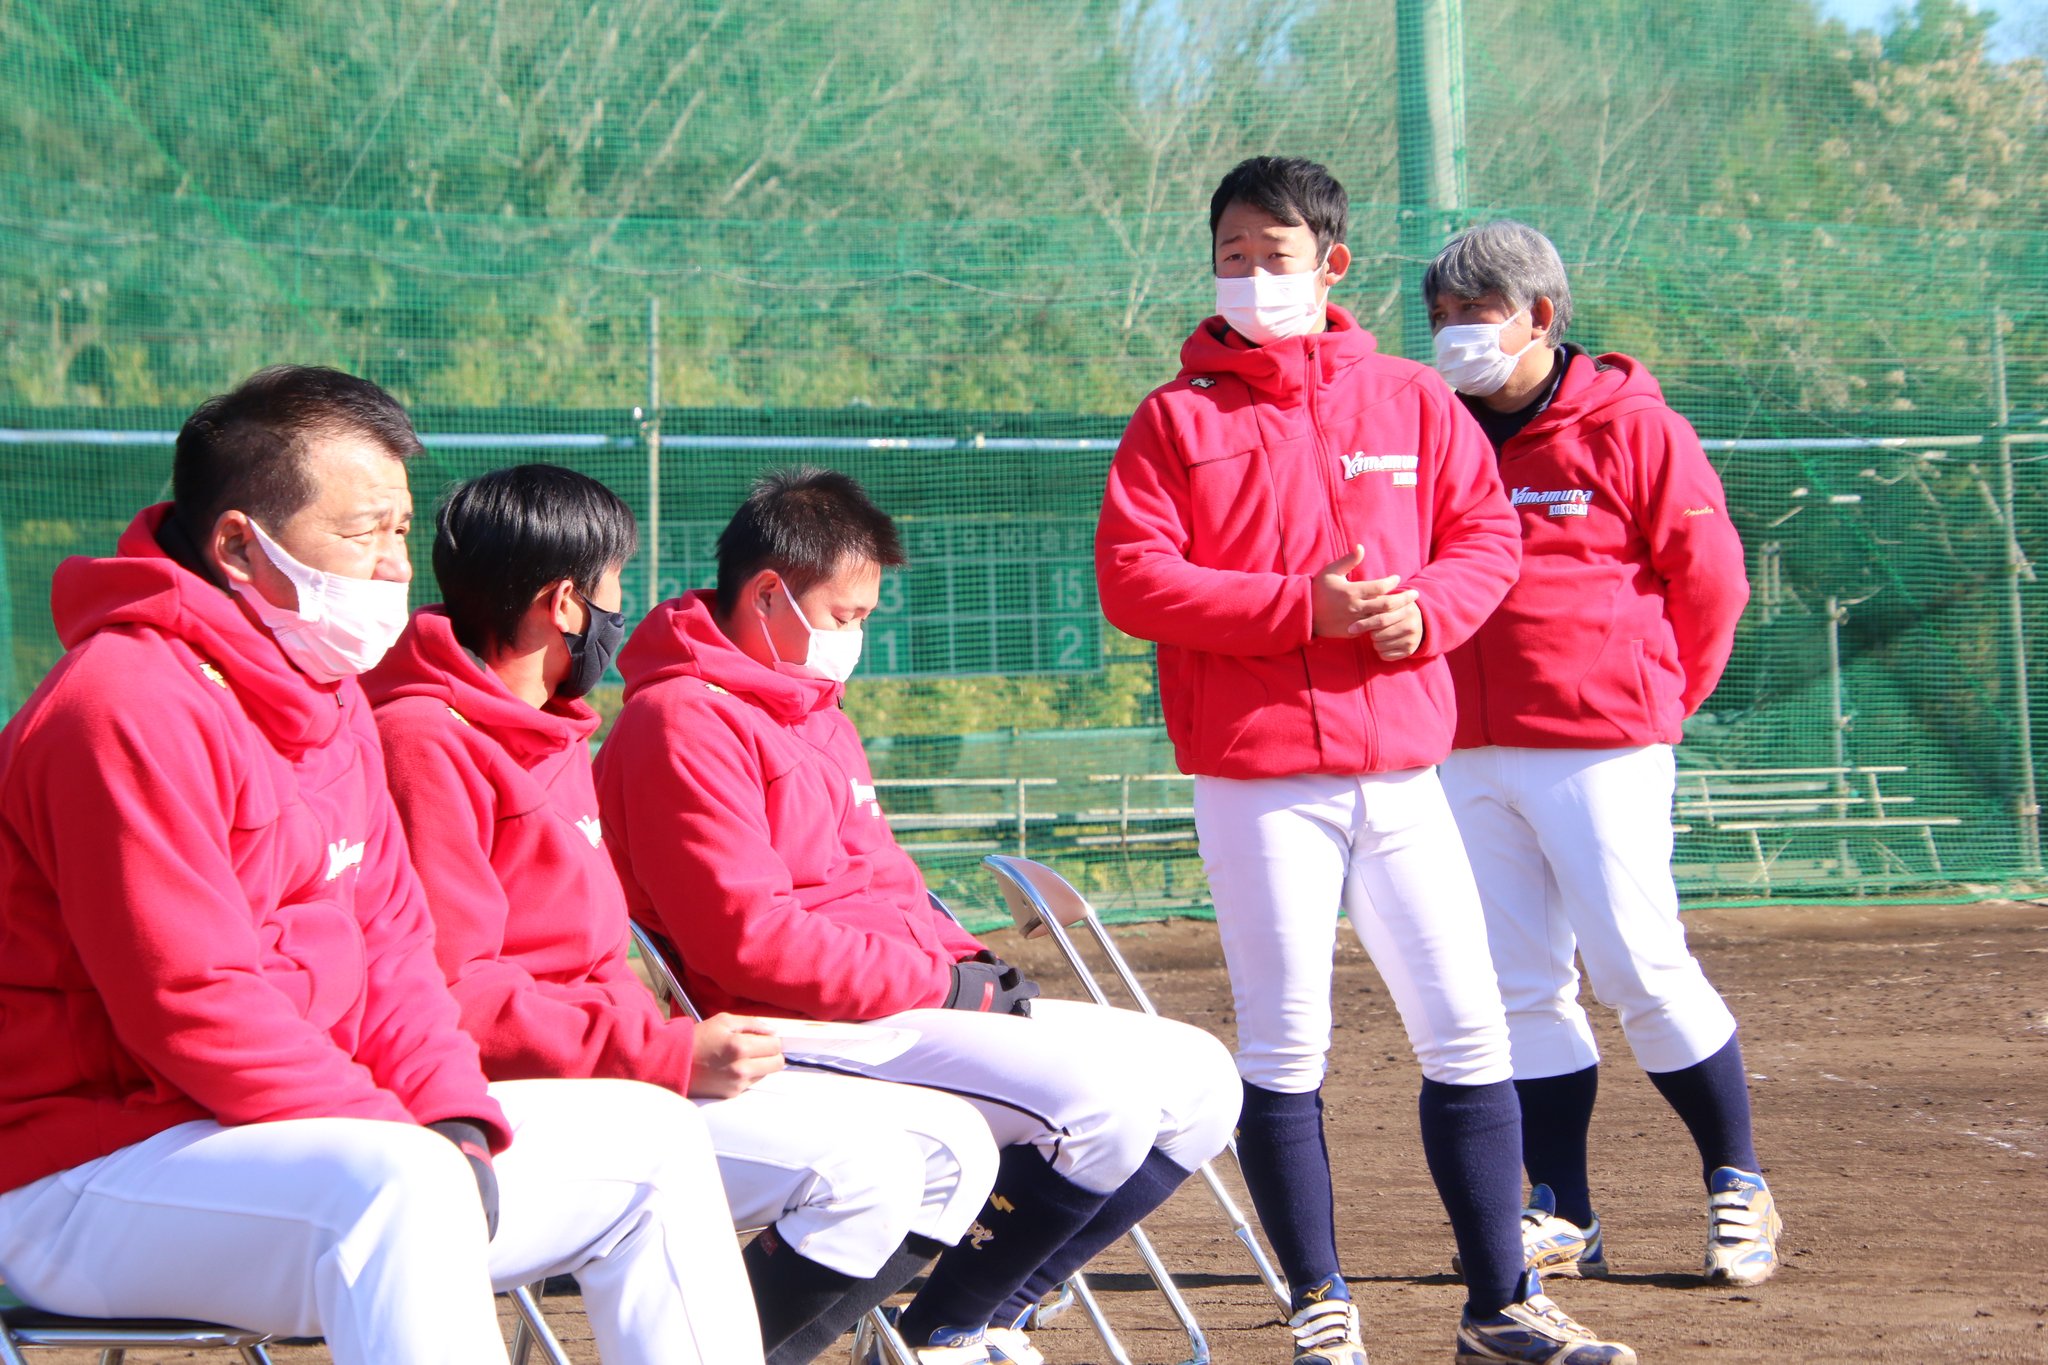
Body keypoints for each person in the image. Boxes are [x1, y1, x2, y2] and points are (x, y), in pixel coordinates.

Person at [0, 366, 763, 1365]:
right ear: (239, 545)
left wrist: (452, 1115)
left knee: (654, 1141)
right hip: (82, 1169)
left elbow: (397, 959)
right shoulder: (125, 702)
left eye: (402, 529)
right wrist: (408, 1134)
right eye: (364, 533)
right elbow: (191, 1001)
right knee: (405, 1183)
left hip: (300, 1136)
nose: (396, 565)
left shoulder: (330, 698)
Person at [1094, 155, 1635, 1365]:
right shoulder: (1175, 417)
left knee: (1468, 1033)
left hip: (1400, 772)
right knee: (1285, 1045)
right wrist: (1303, 609)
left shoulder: (1409, 399)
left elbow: (1483, 537)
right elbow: (1134, 580)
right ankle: (1318, 1302)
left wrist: (1426, 612)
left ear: (1331, 264)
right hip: (1257, 778)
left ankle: (1499, 1304)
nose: (1249, 275)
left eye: (1273, 255)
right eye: (1230, 255)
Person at [594, 466, 1242, 1365]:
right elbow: (749, 943)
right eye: (845, 614)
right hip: (782, 1019)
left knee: (1202, 1080)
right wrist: (943, 983)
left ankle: (960, 1321)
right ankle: (945, 1336)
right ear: (769, 593)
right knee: (1103, 1106)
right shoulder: (679, 720)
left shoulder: (813, 707)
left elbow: (889, 880)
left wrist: (968, 961)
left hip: (894, 1002)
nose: (855, 636)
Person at [366, 463, 999, 1364]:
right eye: (615, 587)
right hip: (507, 1098)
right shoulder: (425, 740)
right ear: (565, 604)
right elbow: (454, 996)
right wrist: (659, 1051)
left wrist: (656, 1046)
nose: (625, 611)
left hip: (609, 1069)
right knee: (869, 1170)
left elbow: (588, 963)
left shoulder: (552, 726)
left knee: (949, 1148)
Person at [1426, 220, 1780, 1286]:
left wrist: (1661, 700)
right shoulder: (1433, 427)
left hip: (1599, 742)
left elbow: (1710, 581)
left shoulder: (1633, 425)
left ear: (1539, 316)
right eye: (1440, 316)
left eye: (1475, 313)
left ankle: (1737, 1182)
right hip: (1460, 746)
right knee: (1519, 987)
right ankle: (1561, 1210)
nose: (1453, 334)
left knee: (1637, 962)